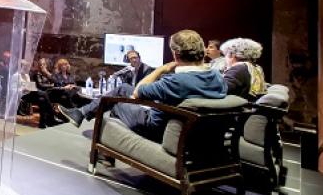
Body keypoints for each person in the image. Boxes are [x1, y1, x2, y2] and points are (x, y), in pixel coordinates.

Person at [58, 30, 227, 141]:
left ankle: (106, 150)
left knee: (116, 102)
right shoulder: (217, 77)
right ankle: (80, 113)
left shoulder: (175, 81)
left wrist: (163, 68)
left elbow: (138, 92)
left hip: (158, 128)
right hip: (197, 132)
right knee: (122, 88)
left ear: (175, 54)